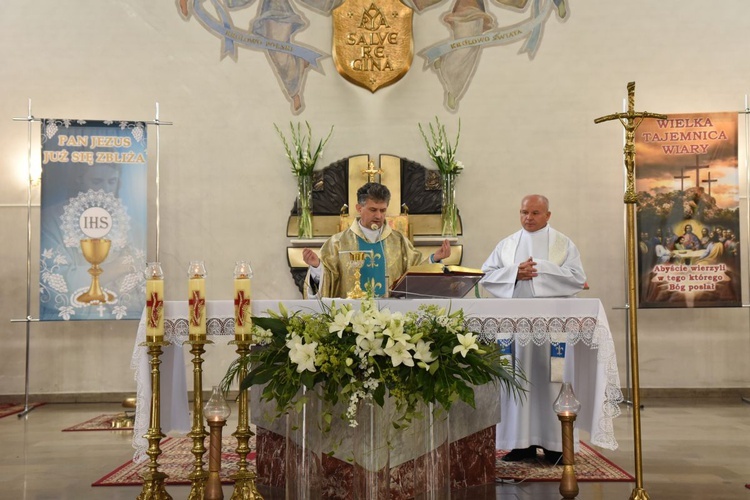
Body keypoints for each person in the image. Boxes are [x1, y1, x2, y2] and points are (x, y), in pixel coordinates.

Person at [479, 194, 586, 463]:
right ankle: (520, 443)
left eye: (536, 213)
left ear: (548, 215)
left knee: (553, 380)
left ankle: (555, 445)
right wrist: (515, 272)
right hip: (516, 331)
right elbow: (485, 276)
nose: (528, 217)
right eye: (524, 212)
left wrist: (539, 271)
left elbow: (577, 279)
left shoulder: (563, 244)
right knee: (519, 382)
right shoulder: (507, 245)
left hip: (553, 330)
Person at [303, 182, 451, 298]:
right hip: (351, 319)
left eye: (383, 210)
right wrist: (317, 267)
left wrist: (434, 259)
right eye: (373, 210)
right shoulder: (338, 243)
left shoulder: (398, 241)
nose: (379, 216)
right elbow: (328, 279)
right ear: (359, 208)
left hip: (391, 319)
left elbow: (414, 273)